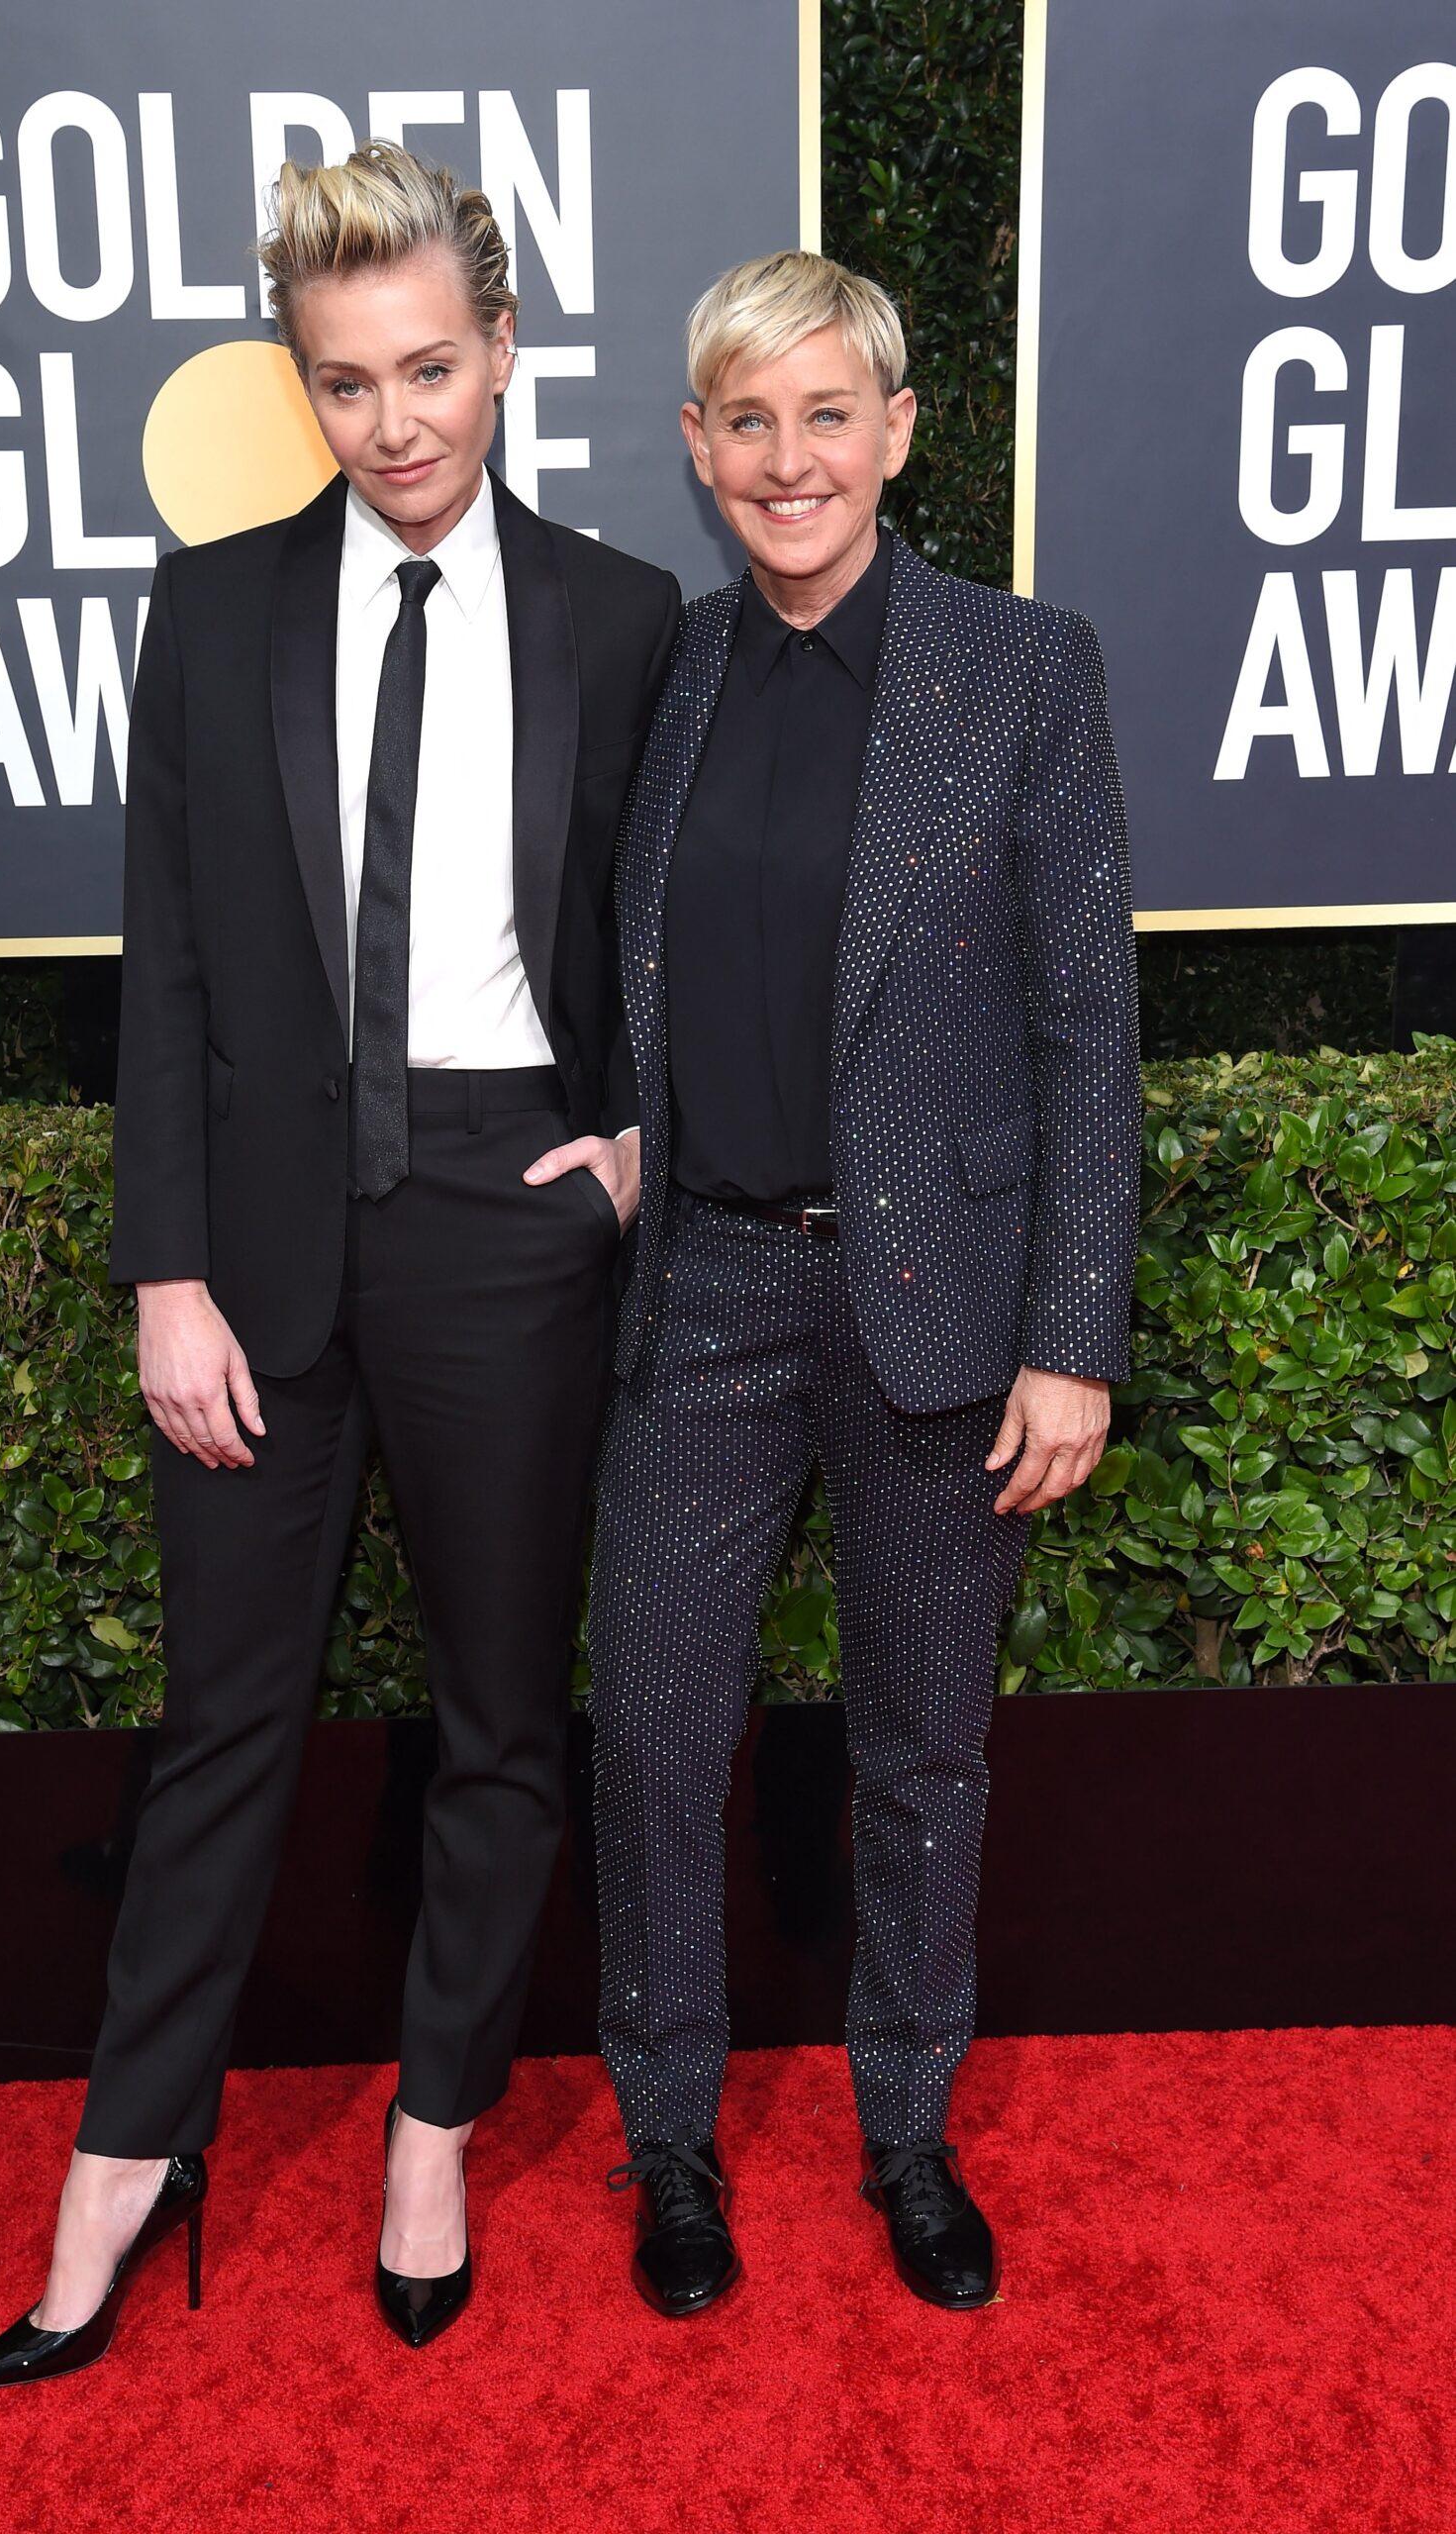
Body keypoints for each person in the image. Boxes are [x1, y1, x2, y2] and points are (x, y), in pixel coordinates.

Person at [0, 142, 678, 2385]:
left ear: (504, 349)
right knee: (221, 1722)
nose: (394, 421)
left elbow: (683, 923)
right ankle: (124, 2157)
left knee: (499, 1715)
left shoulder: (623, 617)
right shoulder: (214, 611)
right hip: (258, 1241)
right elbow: (162, 965)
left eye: (431, 368)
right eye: (346, 380)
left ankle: (433, 2130)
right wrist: (164, 1271)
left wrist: (638, 1147)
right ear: (301, 380)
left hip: (505, 1220)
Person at [590, 249, 1139, 2318]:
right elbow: (594, 952)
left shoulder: (1022, 668)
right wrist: (604, 1126)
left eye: (829, 414)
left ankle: (908, 2128)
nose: (790, 457)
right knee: (656, 1731)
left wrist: (1070, 1335)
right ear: (697, 446)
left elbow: (1087, 1024)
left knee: (923, 1748)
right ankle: (670, 2138)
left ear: (898, 433)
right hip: (705, 1289)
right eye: (749, 420)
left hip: (940, 1297)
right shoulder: (663, 674)